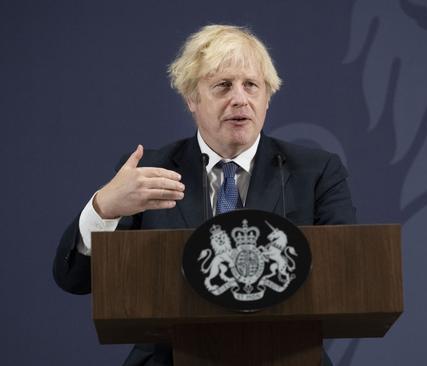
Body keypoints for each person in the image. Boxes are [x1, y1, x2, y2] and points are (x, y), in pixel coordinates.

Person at [53, 24, 356, 366]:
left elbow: (346, 276)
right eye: (223, 85)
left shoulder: (315, 171)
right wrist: (104, 208)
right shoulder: (148, 173)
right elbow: (74, 280)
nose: (239, 98)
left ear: (267, 98)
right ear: (191, 98)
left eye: (251, 85)